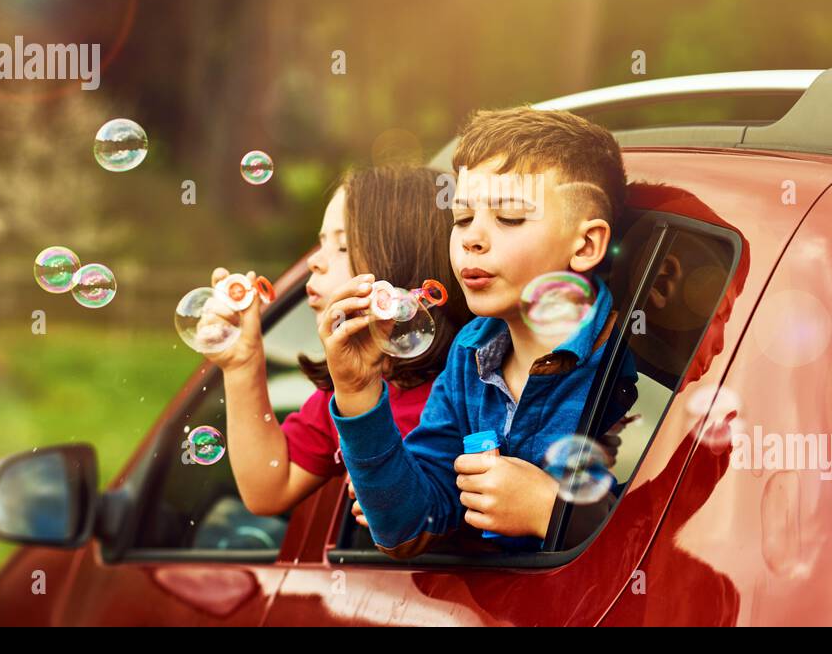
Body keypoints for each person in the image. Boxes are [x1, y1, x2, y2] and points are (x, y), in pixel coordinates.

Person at [321, 107, 634, 557]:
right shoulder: (470, 354)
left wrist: (551, 510)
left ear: (584, 245)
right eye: (463, 218)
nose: (472, 239)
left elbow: (664, 540)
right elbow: (407, 530)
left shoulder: (633, 359)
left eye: (508, 218)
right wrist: (357, 392)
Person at [201, 165, 469, 517]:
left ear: (405, 268)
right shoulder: (345, 393)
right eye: (321, 242)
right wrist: (242, 364)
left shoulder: (464, 389)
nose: (314, 261)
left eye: (343, 247)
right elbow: (269, 489)